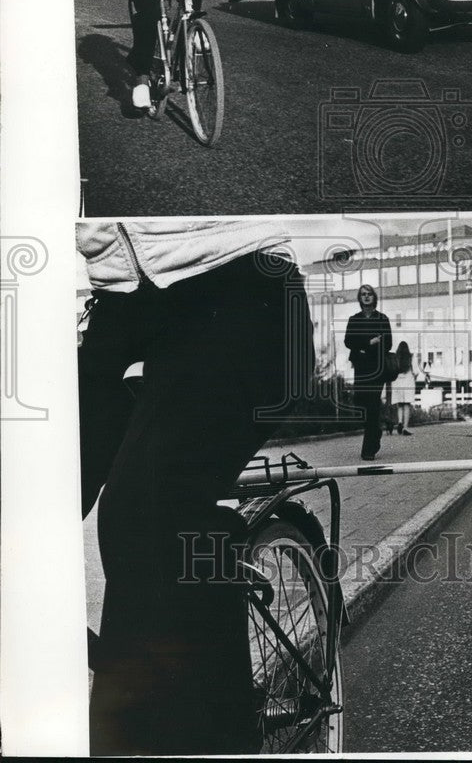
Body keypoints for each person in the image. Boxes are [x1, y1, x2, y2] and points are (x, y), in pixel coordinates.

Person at [77, 220, 314, 755]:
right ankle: (127, 704)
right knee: (30, 499)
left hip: (238, 291)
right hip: (118, 308)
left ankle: (218, 736)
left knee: (148, 509)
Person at [344, 284, 392, 460]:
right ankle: (377, 430)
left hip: (377, 368)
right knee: (360, 403)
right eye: (363, 294)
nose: (366, 297)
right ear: (359, 298)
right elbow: (348, 341)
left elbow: (388, 344)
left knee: (372, 405)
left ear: (374, 297)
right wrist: (369, 343)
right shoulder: (354, 319)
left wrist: (366, 348)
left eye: (369, 294)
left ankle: (368, 450)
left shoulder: (382, 319)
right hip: (360, 367)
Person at [393, 341, 418, 436]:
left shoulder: (396, 357)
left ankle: (399, 421)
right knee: (407, 405)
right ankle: (405, 427)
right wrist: (414, 377)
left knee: (400, 405)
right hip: (408, 382)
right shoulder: (411, 357)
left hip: (397, 382)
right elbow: (416, 371)